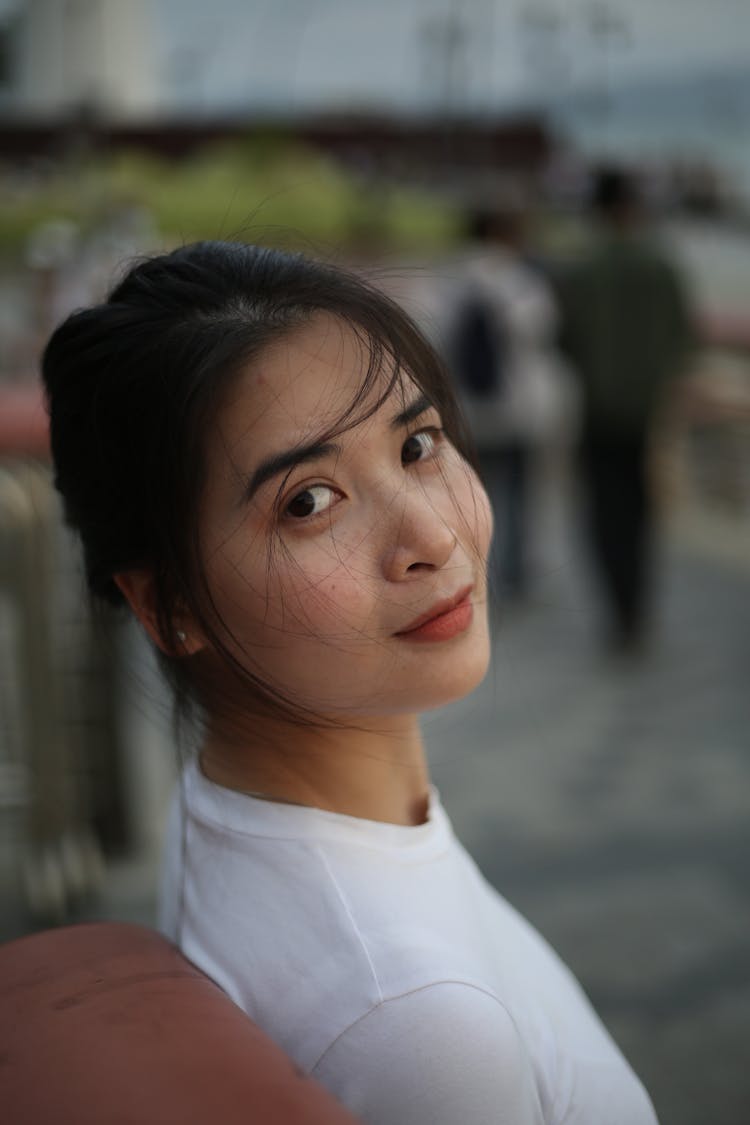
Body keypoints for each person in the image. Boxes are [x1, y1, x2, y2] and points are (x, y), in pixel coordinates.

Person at [41, 241, 658, 1124]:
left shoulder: (232, 808)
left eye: (419, 444)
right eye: (308, 501)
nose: (432, 537)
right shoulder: (418, 1022)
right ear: (170, 605)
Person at [558, 167, 693, 652]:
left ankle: (618, 610)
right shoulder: (661, 267)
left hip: (595, 410)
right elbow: (683, 338)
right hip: (649, 411)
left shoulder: (580, 270)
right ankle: (638, 608)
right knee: (642, 512)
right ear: (633, 206)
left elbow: (565, 340)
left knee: (604, 512)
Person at [447, 204, 576, 601]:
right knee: (520, 491)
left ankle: (477, 566)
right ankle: (515, 573)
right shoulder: (520, 280)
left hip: (467, 410)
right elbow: (542, 333)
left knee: (471, 492)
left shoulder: (447, 277)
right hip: (517, 410)